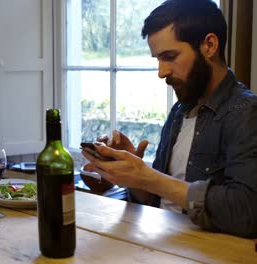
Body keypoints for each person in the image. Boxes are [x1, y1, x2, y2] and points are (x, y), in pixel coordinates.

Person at [82, 0, 257, 238]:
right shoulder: (179, 111)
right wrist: (133, 176)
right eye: (157, 59)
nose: (161, 72)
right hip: (163, 243)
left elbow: (247, 212)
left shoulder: (246, 112)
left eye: (170, 56)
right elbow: (159, 200)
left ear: (209, 45)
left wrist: (150, 178)